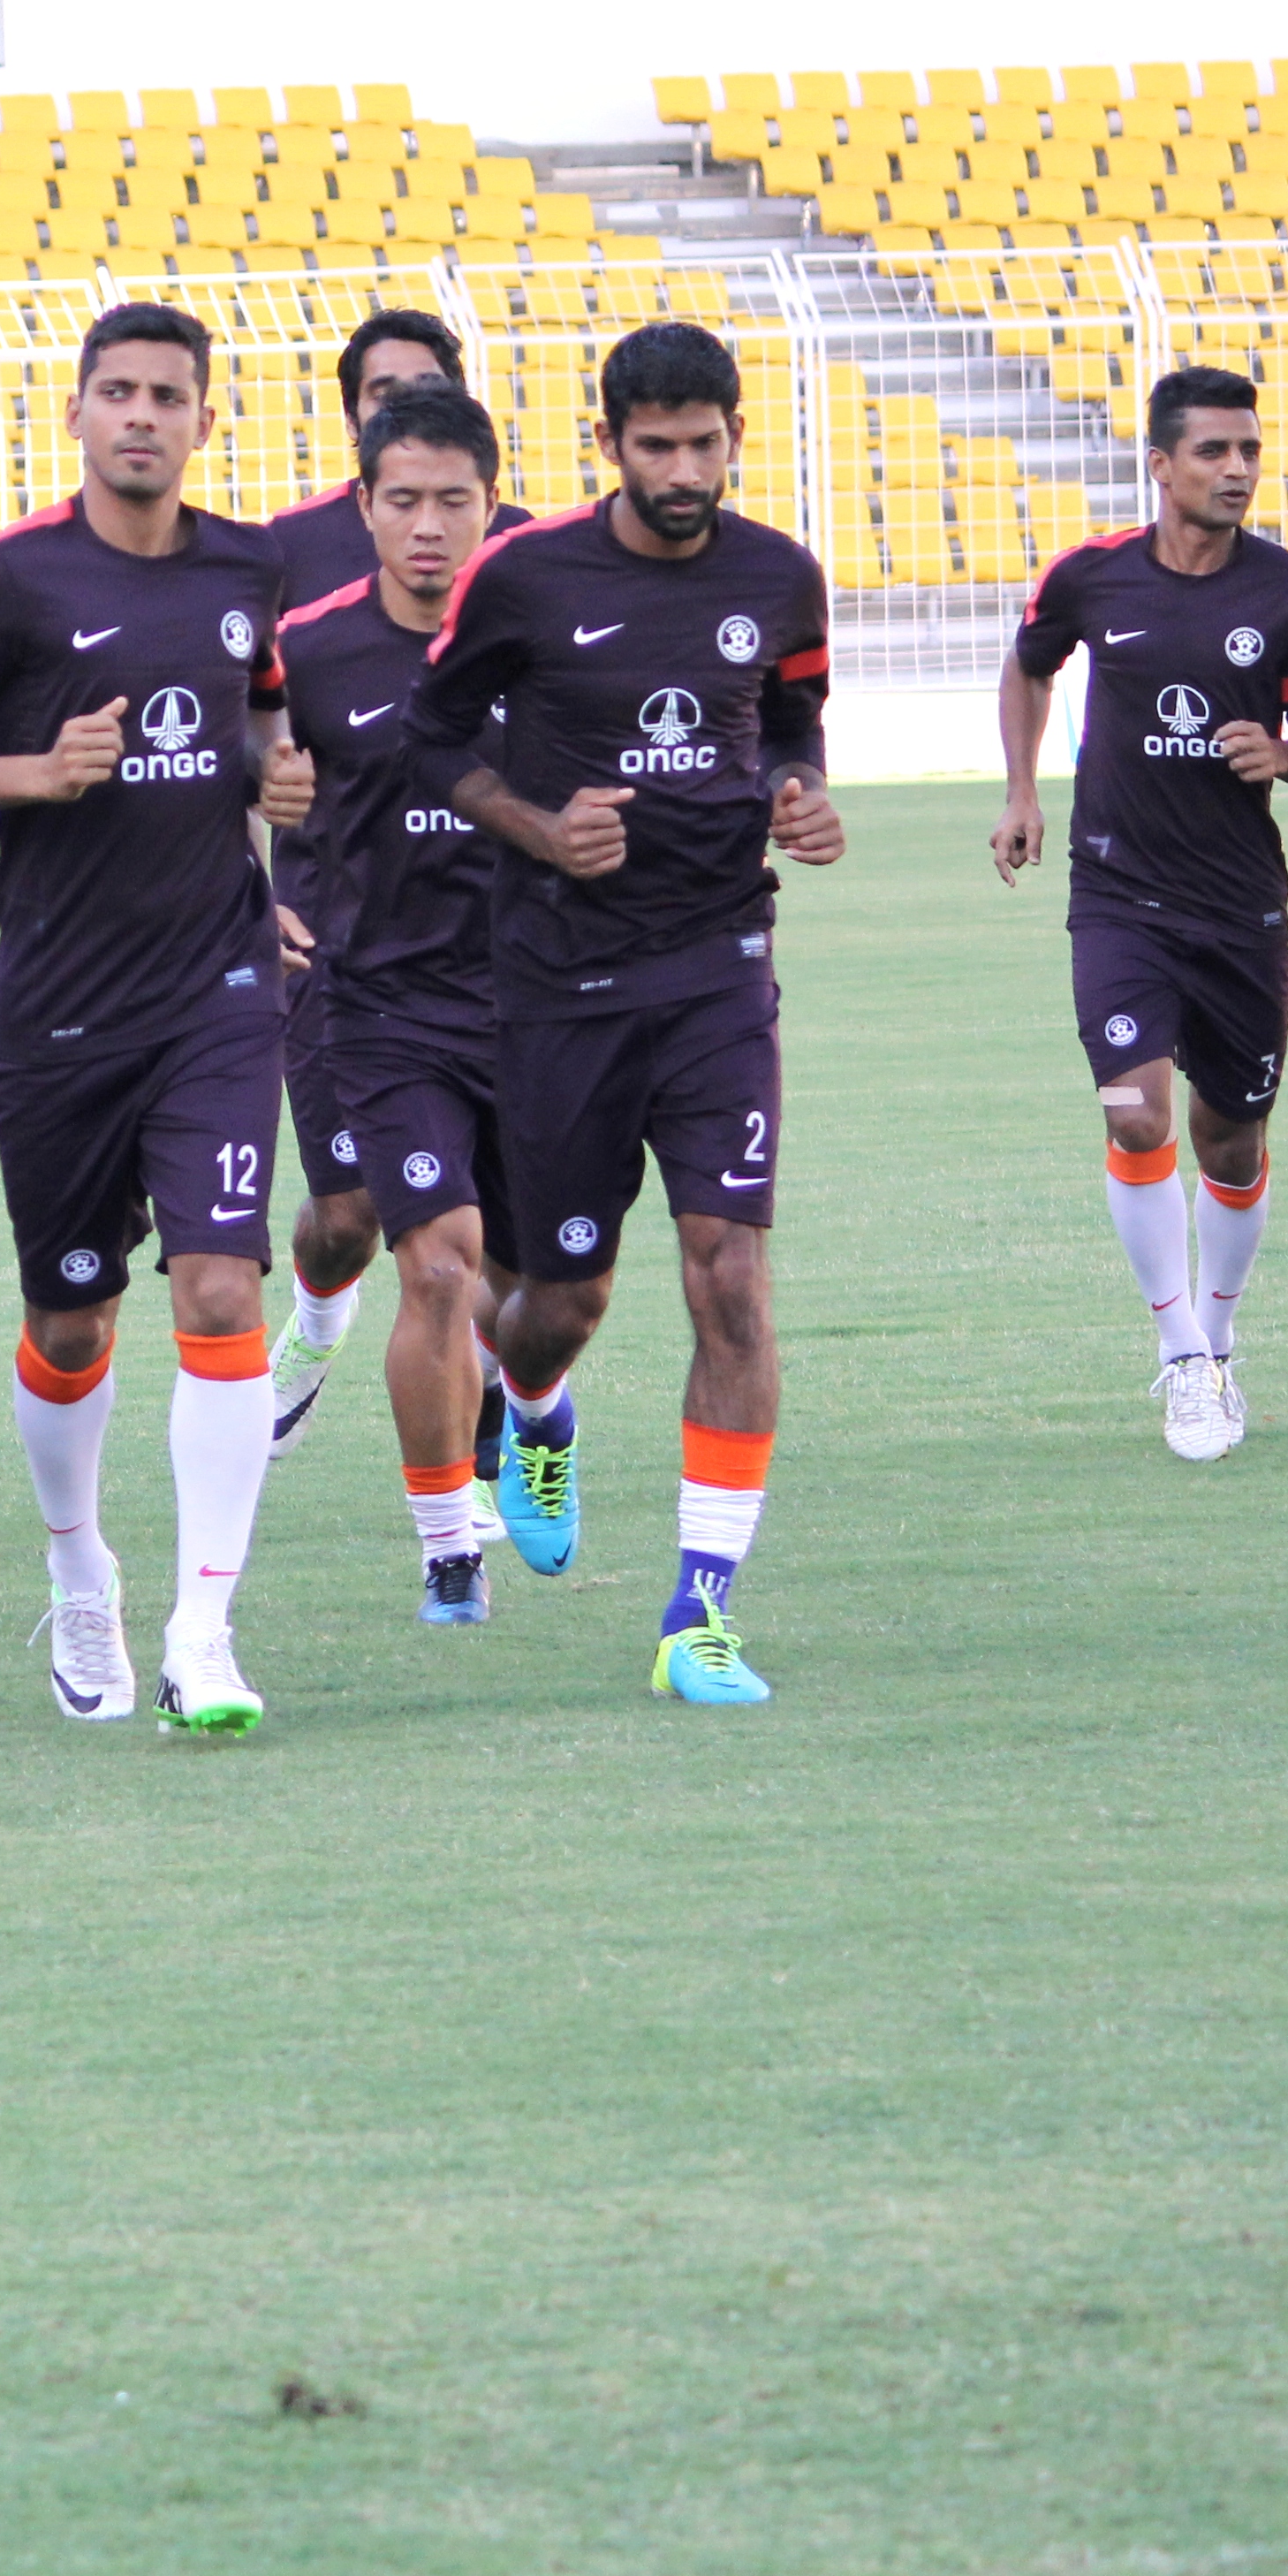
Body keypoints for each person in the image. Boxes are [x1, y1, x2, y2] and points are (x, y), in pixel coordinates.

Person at [0, 304, 311, 1736]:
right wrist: (31, 778)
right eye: (113, 392)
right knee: (70, 1324)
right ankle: (77, 1568)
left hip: (216, 995)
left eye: (165, 396)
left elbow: (255, 713)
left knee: (219, 1292)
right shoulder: (10, 581)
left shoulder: (247, 571)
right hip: (59, 1012)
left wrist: (269, 773)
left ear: (202, 420)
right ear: (73, 413)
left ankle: (202, 1627)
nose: (139, 415)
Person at [405, 321, 844, 1709]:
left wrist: (796, 788)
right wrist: (541, 829)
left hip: (718, 968)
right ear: (608, 446)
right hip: (558, 986)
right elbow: (430, 739)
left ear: (732, 435)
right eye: (655, 446)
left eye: (705, 442)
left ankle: (698, 1614)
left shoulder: (779, 575)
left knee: (729, 1273)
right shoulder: (526, 579)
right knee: (559, 1301)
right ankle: (532, 1407)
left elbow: (790, 716)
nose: (684, 469)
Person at [991, 369, 1288, 1460]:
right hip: (1117, 899)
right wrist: (1021, 792)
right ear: (1160, 464)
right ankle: (1181, 1356)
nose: (1237, 468)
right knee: (1136, 1114)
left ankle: (1222, 1340)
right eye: (1212, 452)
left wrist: (1281, 756)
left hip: (1241, 907)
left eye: (1248, 449)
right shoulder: (1092, 578)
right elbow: (1029, 665)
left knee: (1228, 1139)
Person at [266, 384, 523, 1625]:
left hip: (540, 1006)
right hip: (378, 1005)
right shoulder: (306, 647)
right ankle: (447, 1542)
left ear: (493, 505)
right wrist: (243, 894)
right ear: (362, 506)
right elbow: (212, 775)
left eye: (454, 502)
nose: (429, 526)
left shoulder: (545, 632)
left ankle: (543, 1405)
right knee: (432, 1263)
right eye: (403, 501)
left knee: (535, 1295)